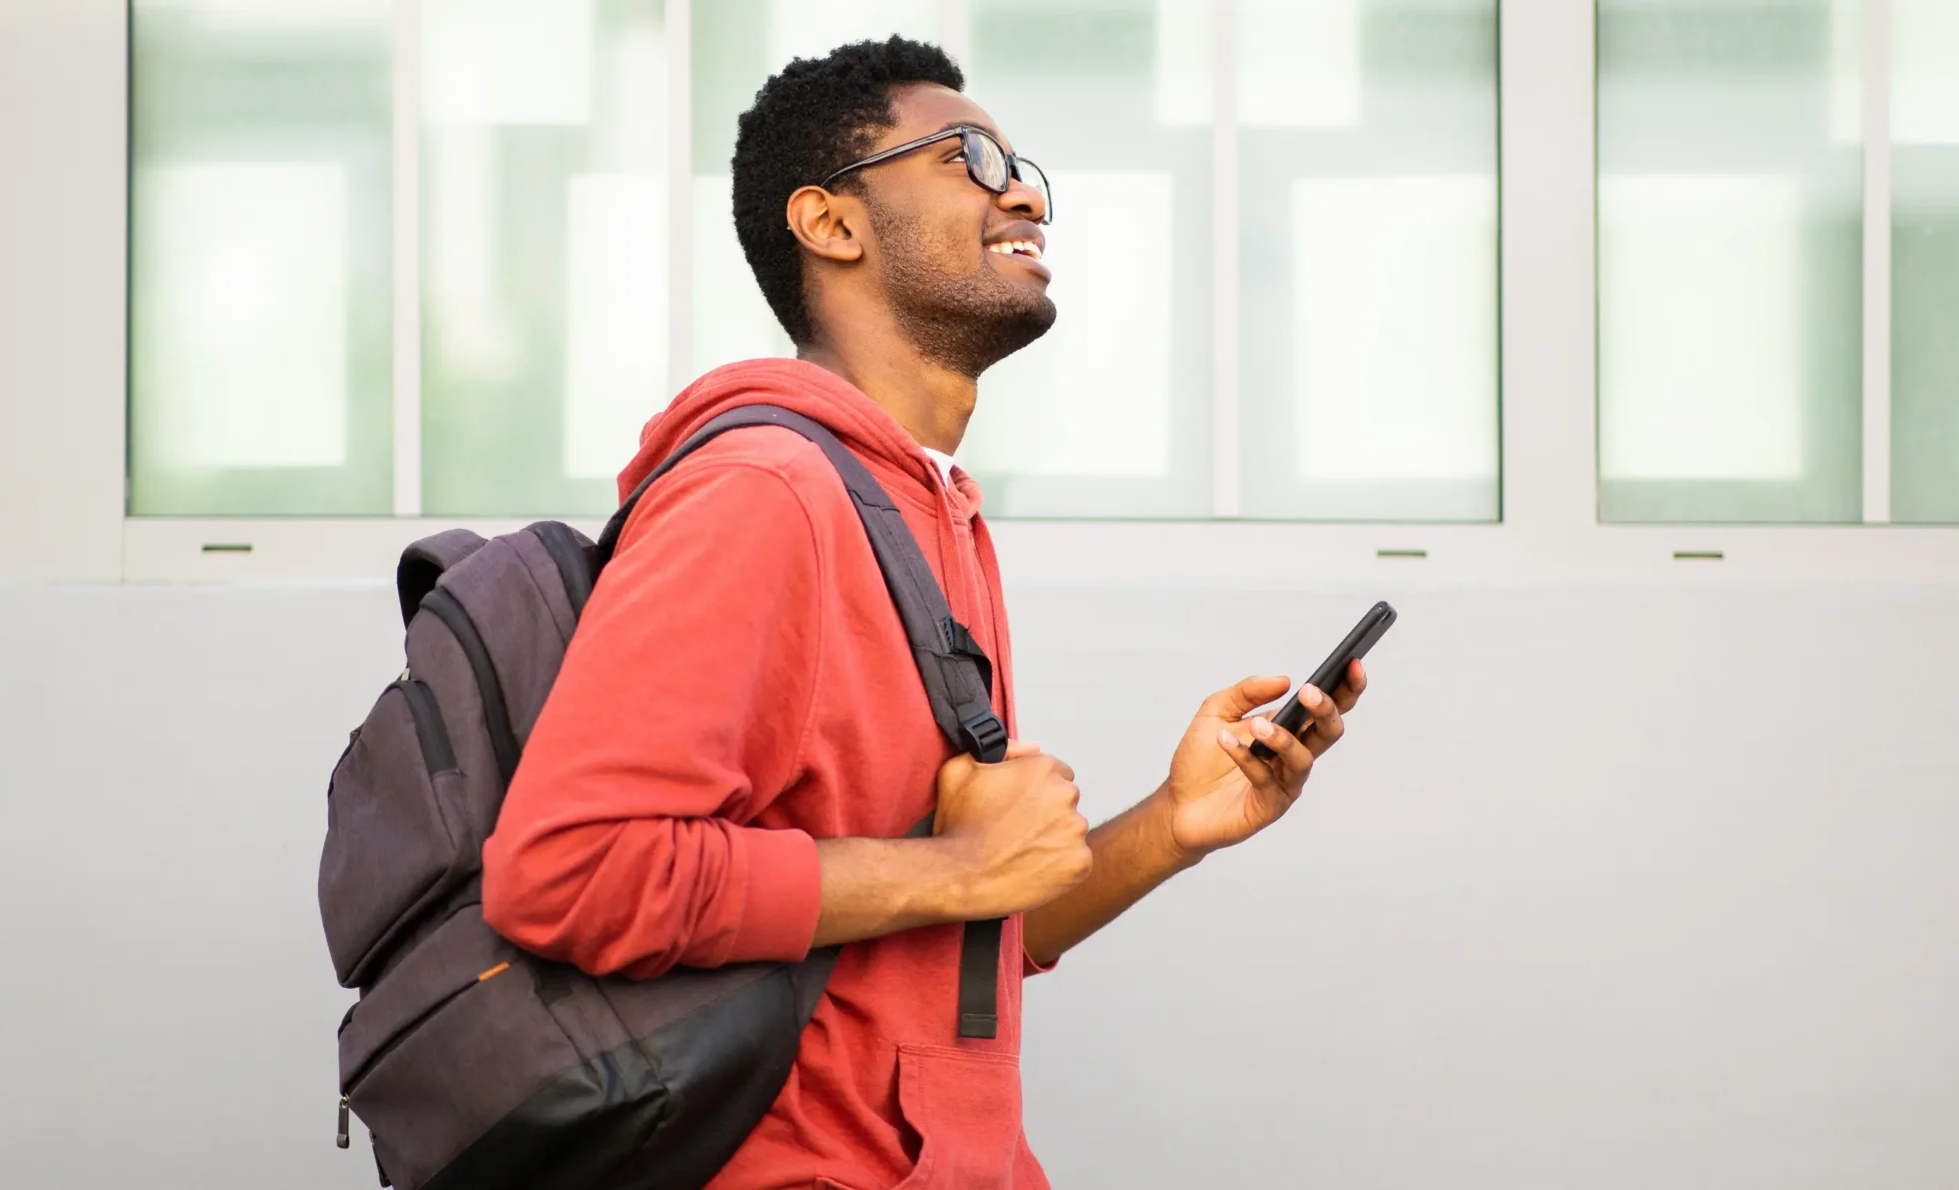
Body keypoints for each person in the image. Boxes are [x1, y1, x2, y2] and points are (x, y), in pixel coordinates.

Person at [480, 35, 1367, 1190]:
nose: (1021, 189)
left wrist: (1173, 822)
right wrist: (953, 865)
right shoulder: (764, 493)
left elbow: (947, 934)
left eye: (1021, 163)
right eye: (967, 154)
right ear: (831, 224)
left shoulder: (926, 509)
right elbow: (566, 871)